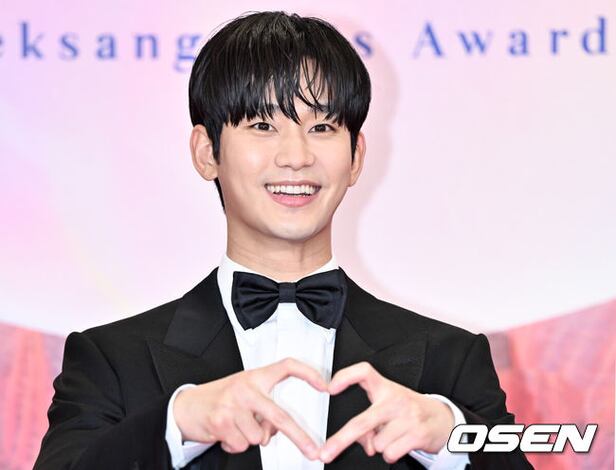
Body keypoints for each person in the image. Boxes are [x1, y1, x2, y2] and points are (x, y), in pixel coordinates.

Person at [34, 11, 532, 470]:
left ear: (356, 156)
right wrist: (179, 422)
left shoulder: (449, 359)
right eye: (262, 125)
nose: (296, 156)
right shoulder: (111, 359)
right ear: (206, 152)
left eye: (322, 126)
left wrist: (449, 439)